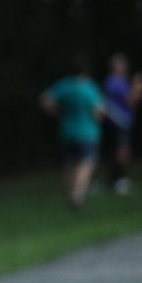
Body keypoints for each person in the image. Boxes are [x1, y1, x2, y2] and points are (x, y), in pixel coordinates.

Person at [39, 56, 106, 209]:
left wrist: (56, 112)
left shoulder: (64, 85)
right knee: (86, 164)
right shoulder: (89, 87)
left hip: (67, 131)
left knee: (70, 163)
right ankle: (77, 196)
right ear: (86, 71)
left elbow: (44, 100)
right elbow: (99, 112)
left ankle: (69, 193)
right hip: (88, 132)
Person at [101, 53, 142, 194]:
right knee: (122, 152)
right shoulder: (114, 82)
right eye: (122, 65)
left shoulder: (123, 82)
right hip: (119, 122)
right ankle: (120, 180)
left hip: (125, 121)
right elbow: (130, 101)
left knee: (121, 151)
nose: (125, 68)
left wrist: (137, 90)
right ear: (115, 67)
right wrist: (137, 86)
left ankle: (113, 180)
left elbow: (134, 101)